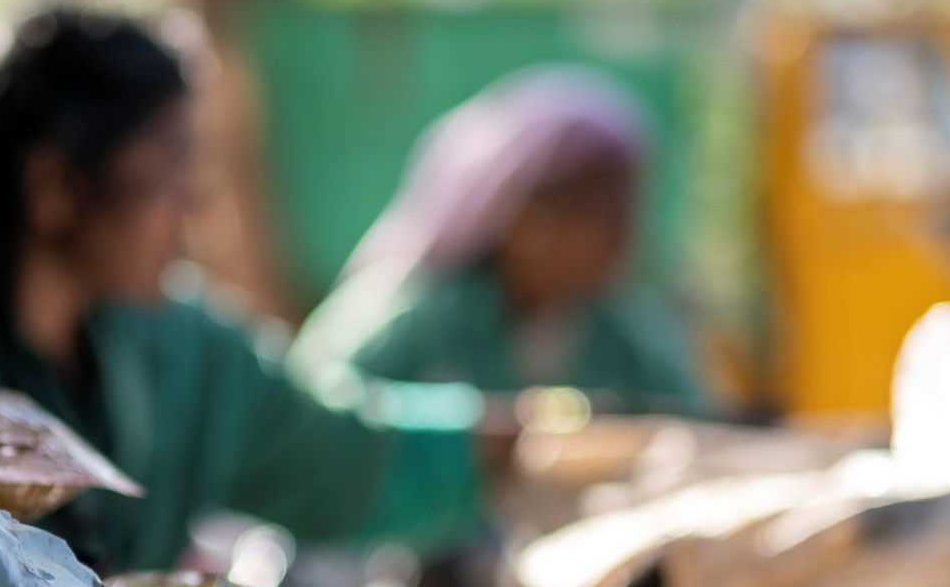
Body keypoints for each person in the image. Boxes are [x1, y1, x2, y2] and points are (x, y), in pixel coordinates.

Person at [0, 8, 489, 574]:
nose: (194, 207)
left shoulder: (180, 350)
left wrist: (512, 443)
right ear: (53, 185)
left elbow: (337, 455)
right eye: (170, 167)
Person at [288, 67, 703, 418]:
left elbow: (700, 425)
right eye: (602, 214)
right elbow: (314, 417)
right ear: (527, 221)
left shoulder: (620, 335)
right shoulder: (414, 313)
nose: (625, 235)